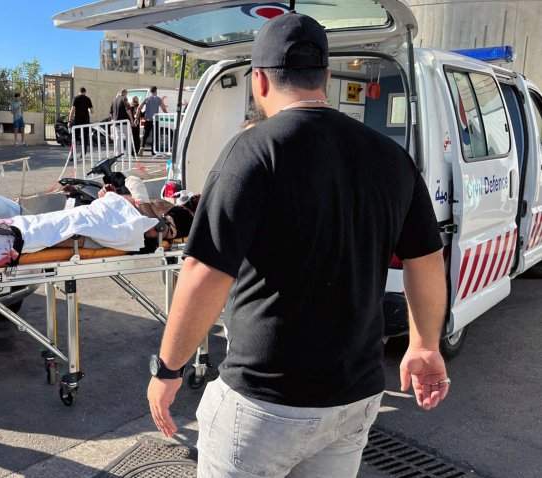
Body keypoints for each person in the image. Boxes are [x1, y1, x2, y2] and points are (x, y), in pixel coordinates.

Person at [146, 13, 450, 477]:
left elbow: (204, 274)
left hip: (263, 403)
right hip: (355, 399)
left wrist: (168, 370)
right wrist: (425, 344)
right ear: (326, 77)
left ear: (260, 82)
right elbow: (426, 260)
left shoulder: (252, 152)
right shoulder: (392, 157)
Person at [139, 86, 167, 156]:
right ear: (156, 91)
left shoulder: (147, 99)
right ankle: (153, 151)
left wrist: (138, 115)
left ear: (151, 91)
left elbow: (140, 107)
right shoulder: (158, 99)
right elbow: (163, 108)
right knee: (155, 135)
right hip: (155, 120)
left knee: (145, 135)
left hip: (148, 120)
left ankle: (142, 147)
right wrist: (167, 114)